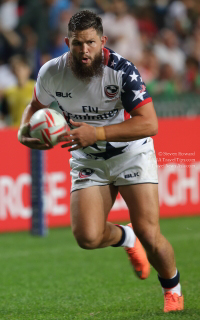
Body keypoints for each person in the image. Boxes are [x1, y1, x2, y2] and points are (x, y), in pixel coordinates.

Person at [17, 10, 184, 313]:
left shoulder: (121, 71)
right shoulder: (51, 72)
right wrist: (25, 133)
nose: (84, 51)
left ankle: (172, 288)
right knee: (88, 237)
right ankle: (125, 236)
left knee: (151, 234)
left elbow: (149, 124)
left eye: (91, 43)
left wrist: (98, 132)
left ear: (103, 41)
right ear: (67, 42)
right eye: (77, 44)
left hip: (130, 152)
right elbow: (34, 108)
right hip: (87, 158)